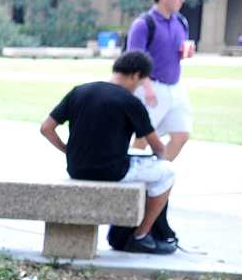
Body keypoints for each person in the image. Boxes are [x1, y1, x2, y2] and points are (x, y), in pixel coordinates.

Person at [39, 50, 178, 255]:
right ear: (136, 75)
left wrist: (67, 150)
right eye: (140, 83)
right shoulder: (130, 102)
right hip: (113, 172)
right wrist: (160, 159)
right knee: (166, 172)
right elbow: (157, 147)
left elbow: (46, 128)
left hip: (76, 169)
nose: (138, 88)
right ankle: (140, 236)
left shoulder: (79, 91)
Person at [124, 0, 195, 246]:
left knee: (181, 134)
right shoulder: (144, 23)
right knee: (142, 138)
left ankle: (158, 178)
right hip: (150, 86)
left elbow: (178, 50)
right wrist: (145, 85)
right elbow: (132, 58)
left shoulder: (181, 22)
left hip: (175, 87)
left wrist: (185, 52)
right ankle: (135, 183)